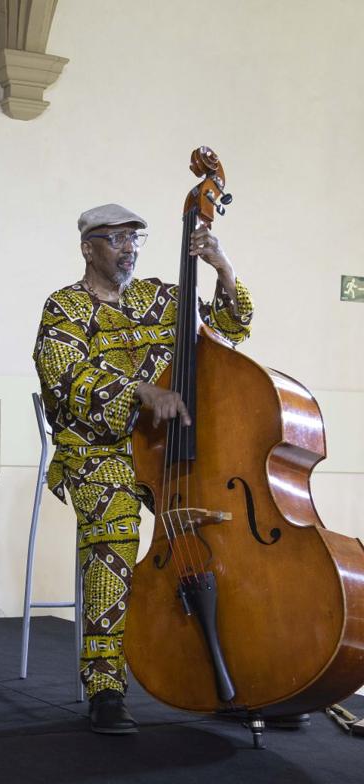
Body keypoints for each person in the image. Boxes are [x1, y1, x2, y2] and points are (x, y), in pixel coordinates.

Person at [32, 203, 253, 734]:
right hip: (98, 453)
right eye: (115, 239)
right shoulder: (65, 307)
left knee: (222, 535)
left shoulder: (162, 297)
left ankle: (240, 674)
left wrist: (223, 269)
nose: (128, 248)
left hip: (170, 452)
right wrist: (139, 391)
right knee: (115, 534)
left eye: (135, 238)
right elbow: (64, 378)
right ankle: (105, 685)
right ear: (89, 247)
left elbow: (231, 329)